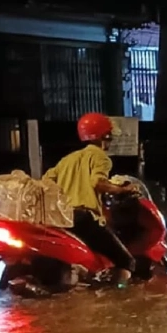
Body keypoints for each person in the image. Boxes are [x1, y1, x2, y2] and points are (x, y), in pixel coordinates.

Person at [44, 112, 139, 285]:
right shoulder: (100, 157)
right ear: (105, 136)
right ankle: (120, 297)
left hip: (61, 219)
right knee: (127, 261)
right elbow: (98, 182)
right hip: (84, 219)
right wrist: (122, 189)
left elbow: (46, 182)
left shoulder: (67, 160)